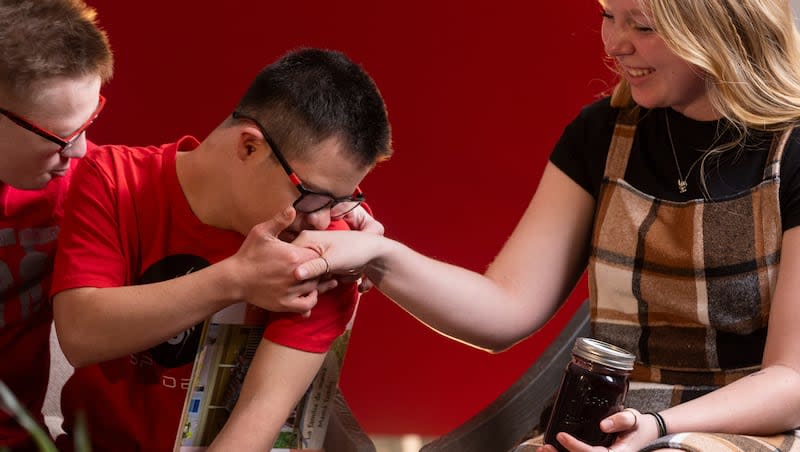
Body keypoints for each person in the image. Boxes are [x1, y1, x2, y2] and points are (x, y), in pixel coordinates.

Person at [291, 0, 800, 451]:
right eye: (607, 16)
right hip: (605, 428)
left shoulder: (792, 151)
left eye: (642, 26)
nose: (615, 45)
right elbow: (505, 309)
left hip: (751, 428)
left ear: (718, 25)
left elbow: (791, 382)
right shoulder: (600, 134)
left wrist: (658, 425)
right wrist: (377, 256)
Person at [50, 47, 391, 451]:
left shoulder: (325, 250)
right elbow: (80, 335)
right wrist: (237, 280)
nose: (321, 220)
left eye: (340, 198)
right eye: (314, 195)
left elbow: (259, 417)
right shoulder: (112, 178)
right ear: (250, 147)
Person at [0, 0, 113, 449]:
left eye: (92, 121)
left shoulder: (82, 181)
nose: (82, 150)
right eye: (62, 137)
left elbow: (206, 180)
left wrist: (338, 215)